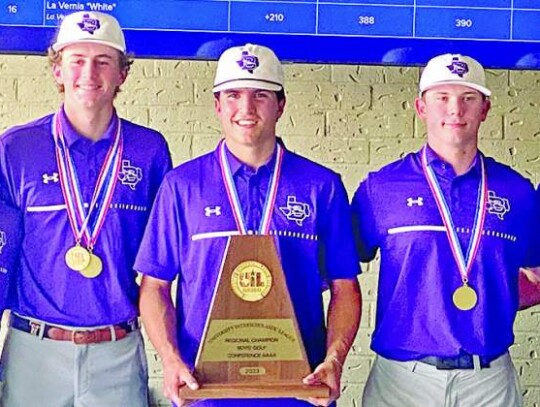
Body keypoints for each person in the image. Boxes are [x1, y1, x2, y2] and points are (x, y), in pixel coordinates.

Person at [135, 43, 362, 407]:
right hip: (205, 392)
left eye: (260, 95)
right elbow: (155, 286)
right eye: (234, 95)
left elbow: (345, 287)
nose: (246, 108)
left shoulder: (322, 186)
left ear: (281, 105)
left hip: (298, 394)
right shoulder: (181, 186)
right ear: (217, 105)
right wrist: (170, 359)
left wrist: (334, 360)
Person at [0, 11, 172, 406]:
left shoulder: (150, 151)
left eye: (103, 61)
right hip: (33, 349)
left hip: (118, 349)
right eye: (76, 60)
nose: (88, 73)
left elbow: (161, 262)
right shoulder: (16, 149)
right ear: (57, 70)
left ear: (122, 74)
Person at [352, 53, 540, 407]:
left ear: (485, 109)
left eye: (468, 98)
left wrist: (491, 291)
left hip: (489, 382)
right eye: (442, 97)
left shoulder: (518, 192)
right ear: (421, 107)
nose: (455, 110)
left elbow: (535, 277)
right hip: (401, 382)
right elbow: (338, 273)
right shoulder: (381, 187)